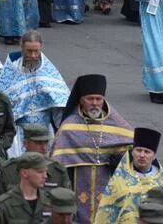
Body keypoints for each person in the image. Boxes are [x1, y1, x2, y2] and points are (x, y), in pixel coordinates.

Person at [52, 74, 134, 224]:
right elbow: (57, 162)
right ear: (81, 100)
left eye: (99, 99)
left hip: (108, 183)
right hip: (78, 185)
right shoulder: (69, 127)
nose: (95, 103)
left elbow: (132, 149)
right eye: (90, 99)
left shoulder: (116, 123)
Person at [0, 31, 69, 151]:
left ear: (41, 47)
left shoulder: (48, 72)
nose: (33, 55)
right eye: (29, 51)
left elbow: (60, 102)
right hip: (19, 133)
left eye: (36, 51)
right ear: (21, 47)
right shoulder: (11, 71)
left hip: (44, 131)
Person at [94, 128, 163, 224]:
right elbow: (105, 213)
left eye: (147, 152)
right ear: (132, 152)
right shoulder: (119, 180)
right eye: (139, 150)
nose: (142, 155)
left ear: (154, 156)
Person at [0, 124, 71, 197]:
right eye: (39, 143)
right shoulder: (9, 170)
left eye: (46, 143)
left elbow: (67, 203)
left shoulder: (57, 171)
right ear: (26, 143)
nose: (44, 148)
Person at [0, 151, 51, 224]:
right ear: (24, 173)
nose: (45, 176)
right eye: (40, 172)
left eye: (45, 172)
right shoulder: (5, 205)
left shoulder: (49, 202)